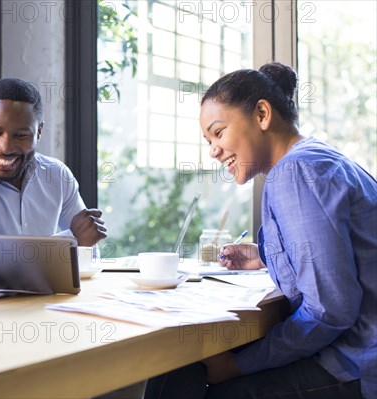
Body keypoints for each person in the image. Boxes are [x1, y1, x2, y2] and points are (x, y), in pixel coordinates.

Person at [145, 62, 376, 398]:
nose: (213, 150)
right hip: (357, 349)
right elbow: (339, 255)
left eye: (218, 132)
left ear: (263, 114)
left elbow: (330, 310)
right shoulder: (318, 159)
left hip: (356, 362)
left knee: (203, 382)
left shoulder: (295, 174)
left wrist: (238, 367)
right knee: (185, 368)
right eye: (209, 139)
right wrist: (266, 256)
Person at [0, 77, 107, 246]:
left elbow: (88, 250)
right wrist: (71, 240)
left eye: (21, 136)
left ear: (39, 131)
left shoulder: (57, 174)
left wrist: (79, 240)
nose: (6, 148)